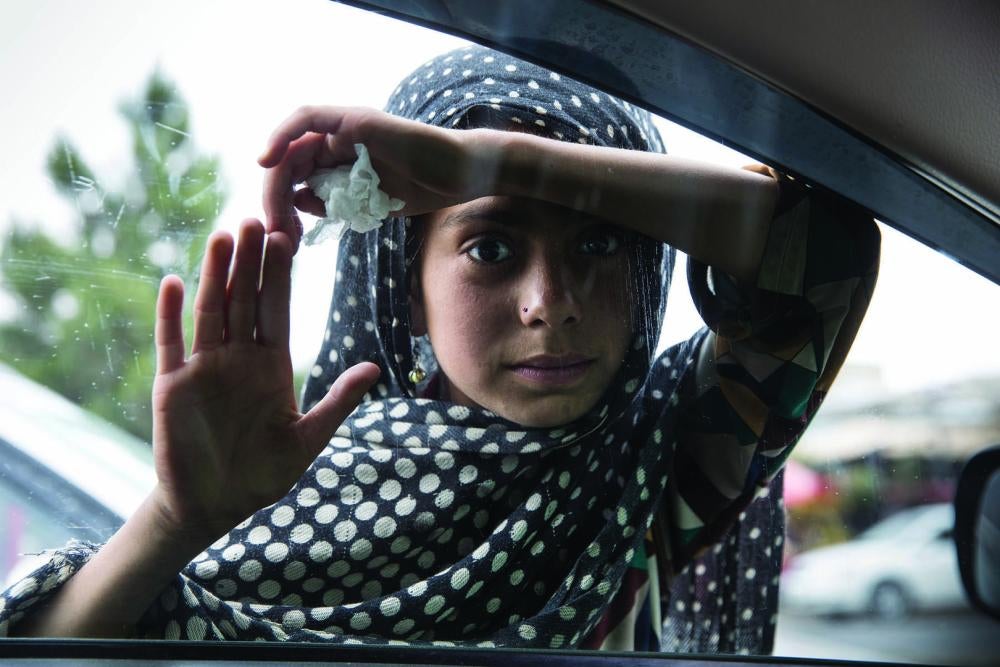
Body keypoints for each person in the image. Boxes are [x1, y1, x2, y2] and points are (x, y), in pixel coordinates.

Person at [1, 45, 879, 651]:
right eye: (491, 248)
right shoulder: (277, 473)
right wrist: (173, 523)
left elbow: (826, 251)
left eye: (603, 244)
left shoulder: (659, 455)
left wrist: (495, 164)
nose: (551, 305)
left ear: (651, 266)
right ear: (404, 284)